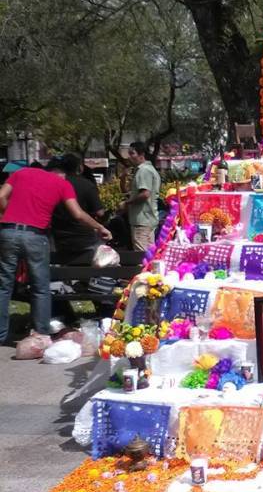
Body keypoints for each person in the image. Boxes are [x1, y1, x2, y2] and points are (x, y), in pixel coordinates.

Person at [0, 162, 112, 345]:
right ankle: (41, 333)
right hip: (35, 235)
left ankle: (1, 335)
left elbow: (1, 196)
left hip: (7, 232)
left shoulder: (21, 173)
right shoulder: (62, 183)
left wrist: (9, 214)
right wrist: (100, 227)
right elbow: (77, 214)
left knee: (4, 286)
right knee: (40, 287)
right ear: (61, 173)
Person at [51, 154, 106, 264]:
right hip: (85, 238)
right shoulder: (87, 185)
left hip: (59, 238)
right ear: (80, 167)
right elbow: (100, 213)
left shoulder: (55, 185)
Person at [121, 143, 161, 251]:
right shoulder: (142, 170)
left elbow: (145, 194)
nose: (129, 157)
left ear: (141, 154)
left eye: (132, 153)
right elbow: (128, 192)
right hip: (144, 220)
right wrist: (123, 178)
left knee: (141, 256)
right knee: (148, 256)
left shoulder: (144, 170)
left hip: (142, 221)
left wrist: (127, 203)